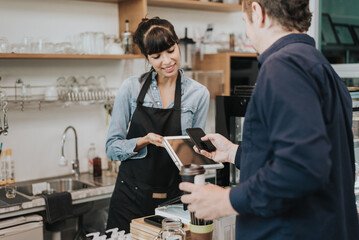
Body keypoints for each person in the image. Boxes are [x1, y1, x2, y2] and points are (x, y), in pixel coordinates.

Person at [179, 0, 359, 239]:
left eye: (245, 22)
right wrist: (234, 153)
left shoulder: (283, 66)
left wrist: (227, 200)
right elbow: (305, 153)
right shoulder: (323, 69)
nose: (247, 33)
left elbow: (302, 166)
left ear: (257, 12)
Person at [106, 17, 210, 233]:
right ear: (147, 58)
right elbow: (112, 148)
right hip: (129, 198)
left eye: (171, 50)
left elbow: (193, 155)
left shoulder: (198, 94)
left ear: (178, 44)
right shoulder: (131, 88)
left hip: (172, 199)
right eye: (156, 56)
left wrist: (204, 156)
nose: (167, 61)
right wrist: (143, 141)